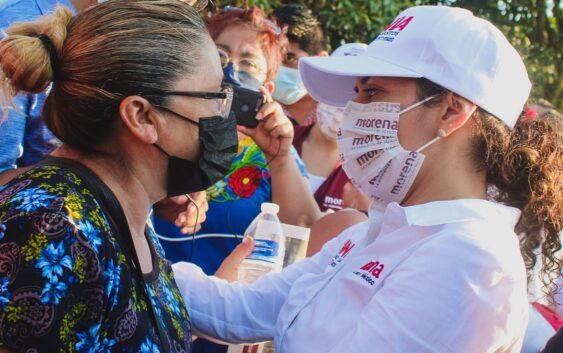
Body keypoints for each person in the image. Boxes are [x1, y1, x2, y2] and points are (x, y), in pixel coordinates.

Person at [172, 6, 563, 352]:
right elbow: (244, 310)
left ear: (451, 112)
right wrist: (131, 235)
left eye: (372, 92)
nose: (353, 112)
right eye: (357, 94)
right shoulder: (377, 232)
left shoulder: (469, 260)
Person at [0, 0, 246, 351]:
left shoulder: (123, 215)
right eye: (215, 96)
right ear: (141, 116)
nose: (225, 114)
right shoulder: (54, 229)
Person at [152, 7, 321, 352]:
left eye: (249, 63)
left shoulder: (274, 150)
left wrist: (281, 158)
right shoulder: (166, 129)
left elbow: (306, 230)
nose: (232, 69)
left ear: (267, 87)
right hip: (153, 314)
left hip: (229, 330)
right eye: (220, 55)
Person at [292, 42, 368, 212]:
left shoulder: (366, 174)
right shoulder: (281, 141)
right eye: (335, 89)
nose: (342, 105)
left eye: (356, 94)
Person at [270, 4, 328, 126]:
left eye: (290, 58)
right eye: (270, 57)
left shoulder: (338, 113)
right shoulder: (252, 108)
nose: (276, 69)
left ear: (321, 61)